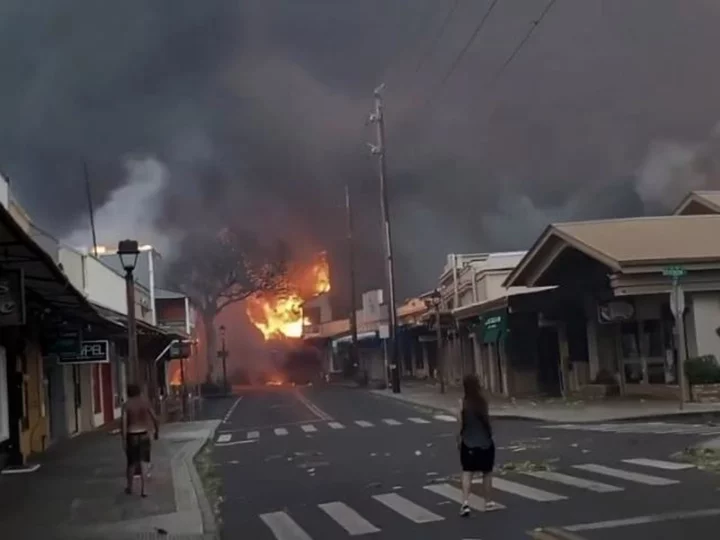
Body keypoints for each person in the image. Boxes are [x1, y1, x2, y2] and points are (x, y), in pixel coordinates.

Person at [456, 373, 496, 516]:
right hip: (485, 442)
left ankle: (465, 503)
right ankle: (488, 501)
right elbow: (487, 421)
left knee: (467, 473)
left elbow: (460, 424)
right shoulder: (483, 402)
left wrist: (458, 440)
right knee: (487, 473)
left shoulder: (462, 403)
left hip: (468, 442)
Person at [121, 383, 159, 497]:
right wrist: (157, 431)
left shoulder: (126, 405)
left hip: (131, 434)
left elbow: (123, 423)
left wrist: (123, 439)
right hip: (144, 434)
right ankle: (144, 490)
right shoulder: (145, 403)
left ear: (128, 393)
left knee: (131, 462)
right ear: (139, 392)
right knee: (144, 461)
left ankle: (130, 487)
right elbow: (155, 418)